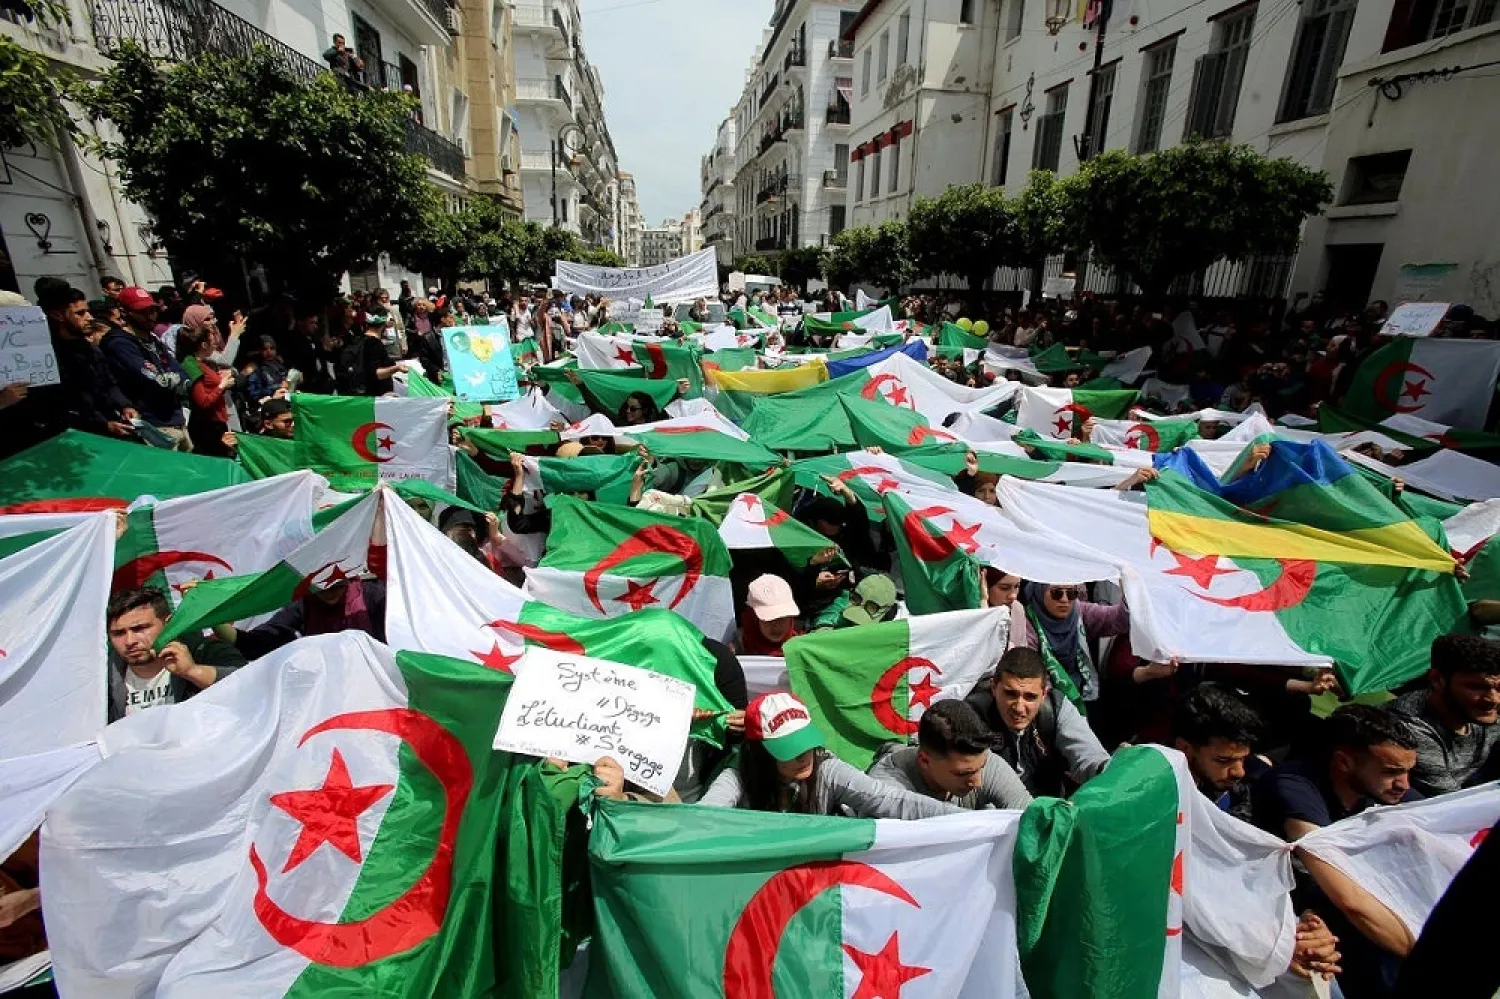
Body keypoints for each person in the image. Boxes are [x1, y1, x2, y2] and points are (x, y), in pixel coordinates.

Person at [698, 692, 962, 818]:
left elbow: (892, 800)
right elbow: (704, 817)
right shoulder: (737, 775)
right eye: (789, 749)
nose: (804, 756)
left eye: (806, 744)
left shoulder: (827, 769)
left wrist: (969, 820)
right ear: (761, 753)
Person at [965, 648, 1110, 798]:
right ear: (994, 687)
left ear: (1043, 694)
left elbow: (1090, 757)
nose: (1019, 708)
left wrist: (1113, 768)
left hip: (1046, 810)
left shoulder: (1055, 708)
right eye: (1010, 694)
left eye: (1030, 697)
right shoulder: (971, 716)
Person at [106, 587, 246, 721]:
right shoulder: (102, 676)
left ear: (168, 624)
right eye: (118, 633)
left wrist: (193, 671)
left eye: (139, 628)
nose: (130, 641)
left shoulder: (205, 652)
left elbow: (250, 686)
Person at [867, 699, 1032, 809]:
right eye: (963, 774)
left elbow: (1033, 820)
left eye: (981, 767)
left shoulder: (978, 762)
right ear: (924, 761)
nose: (977, 782)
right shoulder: (886, 791)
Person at [1390, 634, 1500, 797]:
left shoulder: (1479, 710)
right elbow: (1453, 804)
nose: (1493, 699)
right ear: (1437, 680)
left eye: (1499, 688)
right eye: (1476, 687)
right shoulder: (1409, 729)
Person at [210, 574, 386, 660]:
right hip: (330, 689)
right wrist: (211, 617)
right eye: (320, 587)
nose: (328, 592)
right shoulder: (303, 604)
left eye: (335, 586)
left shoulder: (374, 595)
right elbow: (255, 644)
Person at [100, 286, 190, 448]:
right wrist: (167, 378)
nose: (151, 316)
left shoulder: (153, 340)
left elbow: (181, 374)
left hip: (176, 418)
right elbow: (153, 380)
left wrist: (173, 380)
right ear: (125, 312)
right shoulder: (120, 343)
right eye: (143, 312)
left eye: (153, 310)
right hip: (154, 426)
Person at [1016, 581, 1130, 704]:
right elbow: (1031, 673)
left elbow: (1117, 619)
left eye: (1071, 594)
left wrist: (1131, 591)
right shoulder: (1026, 623)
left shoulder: (1079, 611)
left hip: (1082, 693)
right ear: (1039, 592)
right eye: (1057, 593)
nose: (1065, 600)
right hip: (1045, 700)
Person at [1173, 682, 1267, 821]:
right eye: (1223, 760)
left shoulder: (1244, 787)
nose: (1239, 772)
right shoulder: (1154, 794)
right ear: (1185, 748)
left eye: (1242, 759)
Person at [175, 324, 236, 457]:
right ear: (203, 345)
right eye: (212, 339)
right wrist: (222, 385)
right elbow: (203, 401)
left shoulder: (204, 363)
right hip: (207, 427)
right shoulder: (192, 365)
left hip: (217, 422)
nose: (215, 342)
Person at [739, 574, 801, 655]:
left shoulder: (805, 641)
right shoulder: (738, 646)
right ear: (754, 617)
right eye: (768, 619)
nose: (775, 625)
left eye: (781, 618)